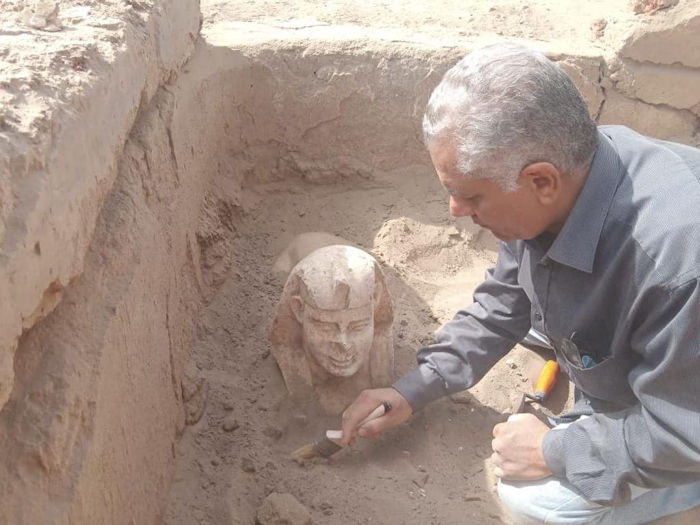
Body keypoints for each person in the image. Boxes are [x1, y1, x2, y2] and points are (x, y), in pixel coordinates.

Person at [340, 42, 700, 523]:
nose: (456, 213)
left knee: (532, 500)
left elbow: (684, 430)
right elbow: (503, 301)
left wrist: (556, 449)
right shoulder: (569, 175)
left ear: (541, 181)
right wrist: (413, 389)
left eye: (469, 196)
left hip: (686, 414)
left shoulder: (675, 266)